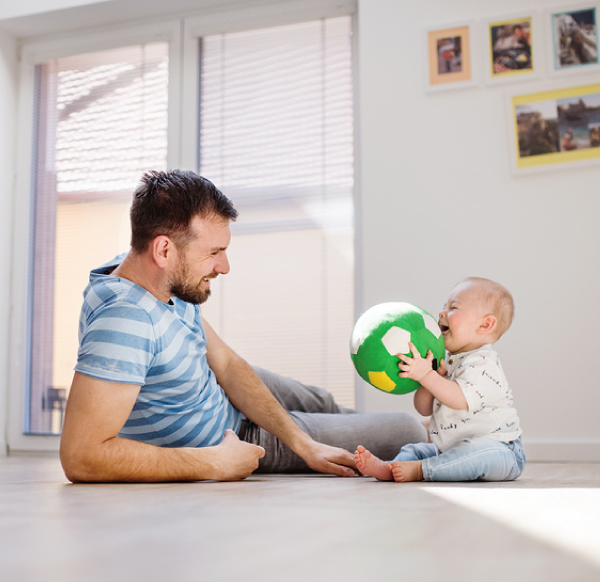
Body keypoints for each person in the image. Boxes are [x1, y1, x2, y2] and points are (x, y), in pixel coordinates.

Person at [59, 170, 426, 483]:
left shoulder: (150, 275)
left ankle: (323, 432)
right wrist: (213, 462)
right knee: (406, 431)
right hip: (236, 434)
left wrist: (303, 443)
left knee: (322, 401)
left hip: (216, 388)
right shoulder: (125, 320)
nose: (224, 267)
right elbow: (81, 455)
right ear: (164, 251)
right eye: (213, 253)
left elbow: (226, 363)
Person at [354, 277, 525, 483]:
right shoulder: (447, 362)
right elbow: (423, 409)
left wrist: (428, 376)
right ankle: (389, 468)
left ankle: (421, 470)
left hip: (502, 450)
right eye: (444, 306)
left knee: (477, 453)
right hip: (449, 450)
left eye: (453, 307)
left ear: (485, 324)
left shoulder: (483, 363)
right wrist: (431, 378)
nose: (442, 313)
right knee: (415, 449)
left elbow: (459, 399)